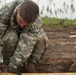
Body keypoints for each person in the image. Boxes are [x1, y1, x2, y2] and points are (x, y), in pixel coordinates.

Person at [0, 0, 48, 75]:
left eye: (26, 24)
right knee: (10, 38)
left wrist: (14, 64)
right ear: (17, 11)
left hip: (28, 32)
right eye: (21, 21)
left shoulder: (36, 22)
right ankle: (6, 64)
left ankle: (30, 64)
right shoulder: (5, 11)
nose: (22, 25)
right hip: (11, 29)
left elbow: (27, 43)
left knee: (42, 38)